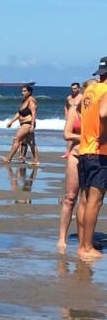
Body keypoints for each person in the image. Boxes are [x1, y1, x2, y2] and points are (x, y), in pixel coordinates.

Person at [76, 58, 107, 259]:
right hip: (100, 151)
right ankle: (86, 248)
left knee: (85, 199)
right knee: (95, 202)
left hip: (85, 149)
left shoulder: (90, 89)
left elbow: (80, 110)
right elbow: (104, 114)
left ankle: (82, 244)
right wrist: (104, 135)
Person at [56, 80, 88, 251]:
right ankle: (62, 237)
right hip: (76, 154)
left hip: (93, 156)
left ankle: (84, 239)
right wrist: (84, 137)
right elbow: (67, 134)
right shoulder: (74, 110)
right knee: (69, 197)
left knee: (86, 200)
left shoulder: (98, 112)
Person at [2, 84, 38, 164]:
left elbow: (34, 113)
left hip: (28, 124)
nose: (22, 92)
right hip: (24, 124)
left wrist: (32, 125)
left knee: (16, 139)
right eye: (22, 91)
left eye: (25, 91)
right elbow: (19, 113)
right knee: (31, 143)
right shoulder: (24, 100)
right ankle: (35, 161)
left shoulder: (31, 100)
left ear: (29, 92)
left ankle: (9, 158)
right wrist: (11, 121)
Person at [62, 82, 83, 158]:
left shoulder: (82, 97)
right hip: (70, 119)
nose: (73, 90)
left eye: (75, 88)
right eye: (72, 89)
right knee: (69, 136)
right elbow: (66, 106)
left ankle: (78, 151)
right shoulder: (69, 98)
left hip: (78, 119)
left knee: (78, 136)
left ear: (79, 88)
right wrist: (66, 115)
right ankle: (67, 152)